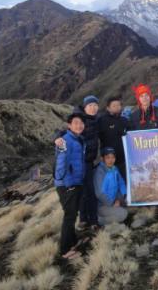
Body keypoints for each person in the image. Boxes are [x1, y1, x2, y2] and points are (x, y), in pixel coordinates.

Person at [55, 95, 100, 231]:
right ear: (85, 107)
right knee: (81, 192)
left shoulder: (97, 120)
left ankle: (93, 220)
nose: (93, 108)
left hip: (89, 162)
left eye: (95, 105)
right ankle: (83, 219)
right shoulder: (79, 119)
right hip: (77, 164)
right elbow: (62, 131)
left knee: (90, 191)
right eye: (90, 105)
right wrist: (57, 138)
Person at [54, 113, 86, 260]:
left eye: (81, 123)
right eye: (76, 123)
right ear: (69, 125)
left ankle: (72, 242)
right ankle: (65, 250)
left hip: (75, 182)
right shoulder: (66, 141)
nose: (79, 125)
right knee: (69, 216)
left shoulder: (77, 139)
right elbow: (61, 163)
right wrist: (68, 185)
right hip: (68, 184)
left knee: (72, 214)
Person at [98, 96, 129, 181]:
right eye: (114, 106)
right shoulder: (102, 120)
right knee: (111, 182)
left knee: (124, 180)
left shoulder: (124, 120)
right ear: (108, 108)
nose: (117, 107)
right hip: (109, 159)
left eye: (119, 105)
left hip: (123, 158)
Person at [94, 147, 128, 225]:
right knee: (123, 214)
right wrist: (112, 203)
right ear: (102, 158)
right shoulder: (100, 172)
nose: (111, 160)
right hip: (103, 205)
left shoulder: (114, 168)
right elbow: (100, 193)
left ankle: (117, 210)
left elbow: (121, 183)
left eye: (113, 157)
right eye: (108, 158)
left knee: (129, 204)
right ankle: (99, 220)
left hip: (115, 199)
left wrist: (124, 195)